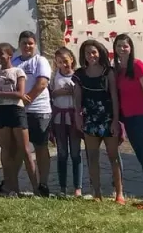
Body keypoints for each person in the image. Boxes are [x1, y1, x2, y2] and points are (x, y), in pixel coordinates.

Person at [113, 34, 143, 209]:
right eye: (119, 46)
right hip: (129, 119)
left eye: (125, 46)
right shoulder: (119, 70)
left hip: (142, 118)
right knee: (142, 158)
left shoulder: (138, 66)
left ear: (131, 47)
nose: (122, 49)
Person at [73, 39, 123, 202]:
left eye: (93, 52)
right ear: (83, 55)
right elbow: (77, 98)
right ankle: (97, 194)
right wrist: (78, 117)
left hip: (108, 118)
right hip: (90, 119)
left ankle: (119, 193)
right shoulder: (80, 75)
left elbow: (114, 96)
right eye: (87, 53)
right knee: (92, 157)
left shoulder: (108, 72)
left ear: (99, 52)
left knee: (113, 157)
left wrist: (116, 120)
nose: (91, 55)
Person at [0, 41, 36, 196]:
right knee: (7, 149)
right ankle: (12, 187)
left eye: (1, 54)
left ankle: (36, 188)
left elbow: (20, 94)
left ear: (9, 55)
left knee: (24, 150)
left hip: (16, 110)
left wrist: (0, 94)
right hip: (2, 111)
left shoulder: (18, 72)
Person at [12, 30, 52, 197]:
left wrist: (26, 100)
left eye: (30, 43)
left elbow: (42, 83)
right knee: (21, 149)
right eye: (24, 43)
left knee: (41, 147)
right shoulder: (14, 62)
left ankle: (43, 183)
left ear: (35, 45)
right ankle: (23, 184)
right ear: (19, 45)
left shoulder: (40, 60)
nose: (27, 46)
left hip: (39, 110)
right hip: (20, 111)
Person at [50, 47, 82, 196]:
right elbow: (51, 93)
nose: (64, 64)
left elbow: (81, 95)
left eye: (66, 60)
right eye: (60, 62)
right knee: (62, 153)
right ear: (57, 64)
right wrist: (61, 92)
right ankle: (62, 187)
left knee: (76, 153)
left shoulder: (77, 75)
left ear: (72, 59)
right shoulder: (55, 76)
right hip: (59, 118)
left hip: (74, 117)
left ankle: (78, 187)